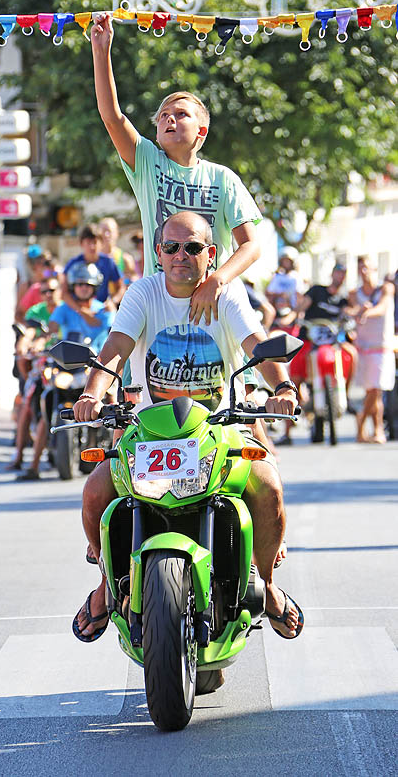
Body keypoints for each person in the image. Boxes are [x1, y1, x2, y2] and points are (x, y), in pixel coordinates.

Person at [71, 211, 304, 644]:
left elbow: (255, 343)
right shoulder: (142, 292)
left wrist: (284, 386)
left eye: (193, 247)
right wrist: (91, 394)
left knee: (269, 486)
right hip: (150, 432)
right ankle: (107, 584)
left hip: (221, 428)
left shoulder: (228, 294)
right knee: (95, 493)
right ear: (158, 253)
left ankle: (268, 586)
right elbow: (117, 347)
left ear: (210, 253)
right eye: (172, 247)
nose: (181, 256)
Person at [90, 13, 262, 326]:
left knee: (239, 370)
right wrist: (101, 52)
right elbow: (112, 117)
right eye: (164, 115)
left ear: (202, 131)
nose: (170, 118)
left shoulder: (223, 179)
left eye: (181, 114)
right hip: (160, 304)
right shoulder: (146, 161)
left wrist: (216, 281)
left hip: (212, 307)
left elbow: (251, 245)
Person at [7, 277, 61, 474]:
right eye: (45, 291)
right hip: (43, 368)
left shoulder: (65, 310)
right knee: (28, 407)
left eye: (53, 290)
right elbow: (28, 334)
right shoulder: (36, 312)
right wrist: (24, 346)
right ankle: (22, 458)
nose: (49, 295)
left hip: (66, 368)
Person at [349, 256, 395, 444]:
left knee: (376, 389)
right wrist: (357, 311)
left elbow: (383, 308)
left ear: (375, 269)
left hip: (381, 346)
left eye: (367, 268)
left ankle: (361, 423)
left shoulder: (386, 288)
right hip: (363, 348)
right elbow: (350, 310)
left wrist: (366, 312)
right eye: (361, 268)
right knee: (373, 392)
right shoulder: (354, 293)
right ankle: (376, 430)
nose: (364, 272)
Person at [49, 262, 114, 353]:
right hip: (69, 362)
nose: (84, 288)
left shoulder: (104, 309)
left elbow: (113, 334)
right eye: (80, 284)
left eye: (88, 285)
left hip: (99, 361)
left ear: (94, 287)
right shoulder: (64, 308)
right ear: (73, 287)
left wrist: (112, 312)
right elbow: (51, 329)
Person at [61, 224, 124, 314]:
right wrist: (81, 311)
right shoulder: (73, 264)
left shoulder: (108, 262)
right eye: (88, 243)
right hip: (77, 311)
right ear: (81, 244)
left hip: (101, 311)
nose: (92, 246)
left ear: (101, 243)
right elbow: (64, 293)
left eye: (95, 242)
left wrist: (112, 302)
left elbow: (121, 287)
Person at [98, 216, 136, 289]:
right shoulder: (94, 258)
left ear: (116, 233)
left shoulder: (126, 259)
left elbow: (134, 281)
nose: (106, 235)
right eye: (103, 231)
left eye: (109, 231)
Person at [265, 246, 304, 311]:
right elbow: (268, 292)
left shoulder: (296, 277)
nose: (286, 263)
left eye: (288, 261)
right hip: (277, 309)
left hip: (291, 310)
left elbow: (299, 296)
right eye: (284, 260)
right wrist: (279, 295)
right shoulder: (277, 277)